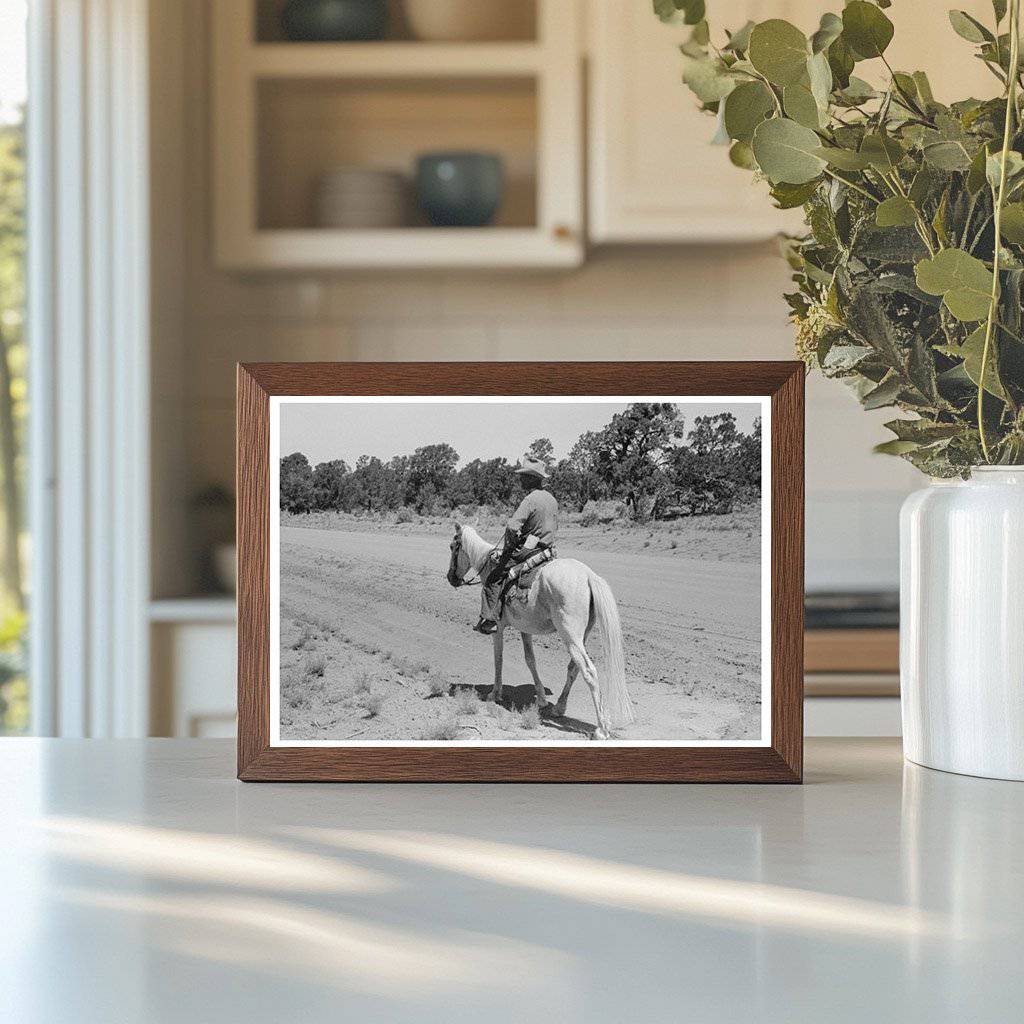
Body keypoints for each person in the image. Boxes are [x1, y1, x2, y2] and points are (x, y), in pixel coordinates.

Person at [473, 455, 559, 635]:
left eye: (523, 476)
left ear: (531, 478)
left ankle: (489, 619)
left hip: (529, 550)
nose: (520, 479)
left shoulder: (530, 499)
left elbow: (512, 527)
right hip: (548, 550)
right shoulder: (551, 499)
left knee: (494, 577)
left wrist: (509, 546)